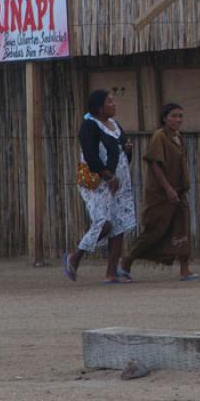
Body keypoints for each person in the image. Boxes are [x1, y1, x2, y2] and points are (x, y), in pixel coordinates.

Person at [117, 103, 200, 282]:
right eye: (174, 116)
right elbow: (154, 164)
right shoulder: (159, 137)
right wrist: (168, 188)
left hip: (179, 191)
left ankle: (185, 269)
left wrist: (178, 188)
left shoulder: (179, 137)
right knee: (155, 230)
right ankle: (126, 261)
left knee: (182, 227)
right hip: (161, 194)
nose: (178, 120)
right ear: (164, 118)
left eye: (180, 116)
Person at [63, 89, 137, 284]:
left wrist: (128, 150)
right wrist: (108, 176)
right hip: (98, 184)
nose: (114, 104)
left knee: (119, 225)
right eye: (109, 102)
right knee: (104, 223)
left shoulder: (115, 125)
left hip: (119, 182)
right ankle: (75, 256)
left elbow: (121, 152)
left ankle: (111, 273)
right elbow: (91, 157)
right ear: (99, 108)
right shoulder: (89, 127)